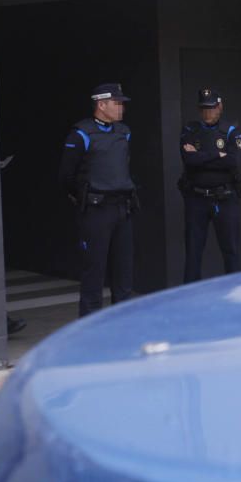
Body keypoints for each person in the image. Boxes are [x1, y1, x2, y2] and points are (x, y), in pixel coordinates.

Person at [58, 83, 137, 317]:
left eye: (122, 103)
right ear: (101, 105)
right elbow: (66, 176)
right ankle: (90, 327)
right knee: (94, 272)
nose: (121, 107)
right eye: (117, 103)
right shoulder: (81, 133)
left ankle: (122, 323)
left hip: (123, 208)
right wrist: (83, 197)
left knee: (124, 271)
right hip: (96, 211)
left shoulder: (124, 132)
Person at [179, 88, 241, 282]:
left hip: (224, 198)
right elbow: (189, 160)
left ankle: (235, 292)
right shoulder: (190, 130)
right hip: (197, 198)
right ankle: (190, 298)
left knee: (231, 250)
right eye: (204, 109)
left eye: (212, 108)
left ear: (220, 107)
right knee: (193, 251)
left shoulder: (230, 131)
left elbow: (232, 161)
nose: (208, 113)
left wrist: (201, 157)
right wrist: (217, 154)